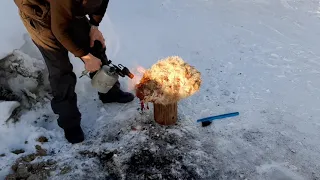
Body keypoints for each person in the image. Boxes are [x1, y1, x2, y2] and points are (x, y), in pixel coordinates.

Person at [13, 0, 135, 144]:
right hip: (38, 13)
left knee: (94, 45)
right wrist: (85, 56)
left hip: (65, 8)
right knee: (60, 69)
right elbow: (59, 31)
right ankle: (70, 123)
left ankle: (109, 92)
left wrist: (94, 26)